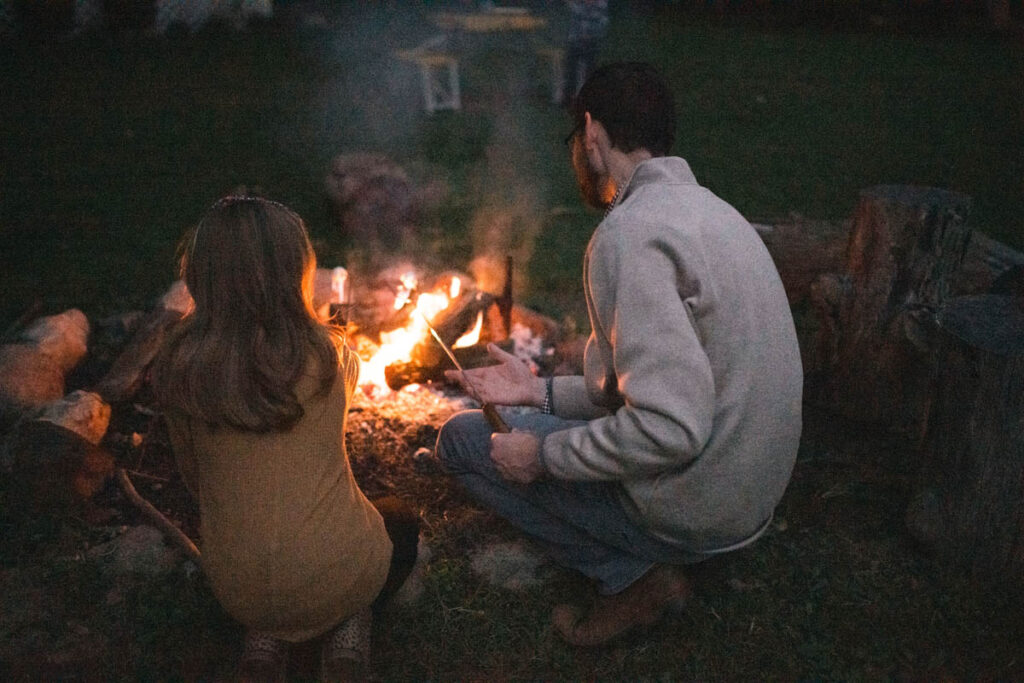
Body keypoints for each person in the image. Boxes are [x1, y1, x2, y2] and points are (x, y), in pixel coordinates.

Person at [436, 62, 802, 647]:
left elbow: (668, 427)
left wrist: (544, 456)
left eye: (575, 143)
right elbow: (649, 387)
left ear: (592, 135)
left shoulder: (629, 235)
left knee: (459, 443)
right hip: (747, 496)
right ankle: (646, 556)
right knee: (526, 427)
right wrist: (538, 391)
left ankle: (633, 580)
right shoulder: (718, 214)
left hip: (698, 507)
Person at [153, 196, 418, 681]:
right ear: (295, 273)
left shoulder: (178, 368)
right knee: (398, 520)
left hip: (236, 589)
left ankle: (264, 641)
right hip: (335, 573)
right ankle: (347, 634)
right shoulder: (328, 357)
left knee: (269, 541)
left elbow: (196, 482)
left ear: (201, 275)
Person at [562, 0, 609, 105]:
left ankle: (589, 97)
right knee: (570, 69)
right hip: (576, 41)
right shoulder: (577, 5)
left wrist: (589, 35)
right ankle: (568, 97)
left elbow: (601, 23)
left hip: (591, 42)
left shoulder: (601, 5)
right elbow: (575, 22)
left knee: (590, 70)